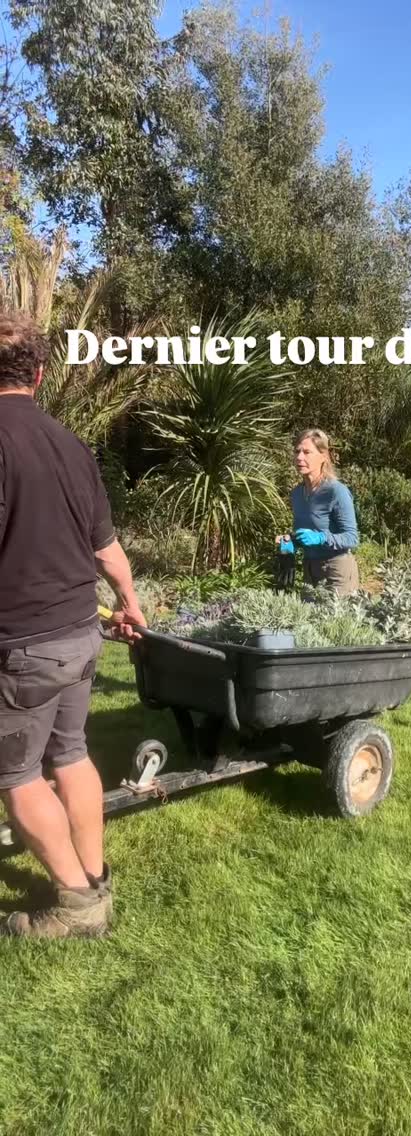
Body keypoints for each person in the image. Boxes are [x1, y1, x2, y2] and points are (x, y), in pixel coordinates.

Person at [0, 311, 146, 939]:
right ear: (39, 373)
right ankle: (94, 876)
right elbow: (106, 547)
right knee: (72, 753)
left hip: (23, 647)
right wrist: (131, 601)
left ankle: (77, 905)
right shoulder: (71, 444)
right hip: (82, 635)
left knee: (17, 775)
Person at [278, 428, 360, 595]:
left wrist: (321, 537)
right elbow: (305, 534)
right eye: (297, 451)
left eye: (307, 452)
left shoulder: (336, 491)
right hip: (309, 570)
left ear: (323, 456)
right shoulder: (297, 494)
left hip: (337, 572)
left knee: (335, 620)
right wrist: (290, 543)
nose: (299, 457)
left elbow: (352, 538)